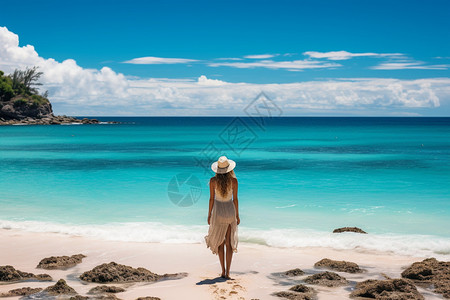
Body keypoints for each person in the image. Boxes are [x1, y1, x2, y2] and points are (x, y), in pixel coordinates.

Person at [205, 156, 240, 279]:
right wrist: (237, 215)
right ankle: (229, 273)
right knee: (229, 243)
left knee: (220, 242)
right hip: (230, 211)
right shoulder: (234, 181)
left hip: (218, 211)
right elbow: (235, 199)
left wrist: (209, 215)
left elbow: (211, 199)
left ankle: (223, 271)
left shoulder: (213, 181)